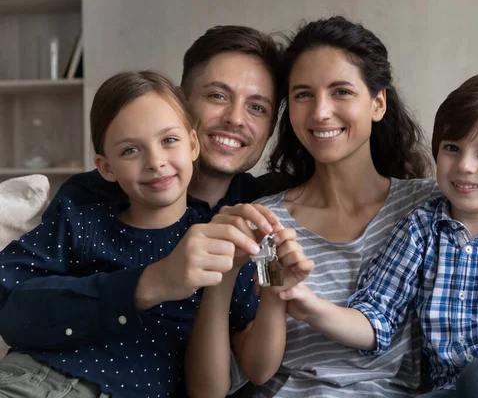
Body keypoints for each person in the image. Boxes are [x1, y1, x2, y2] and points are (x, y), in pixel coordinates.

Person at [185, 17, 478, 398]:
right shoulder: (265, 221)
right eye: (303, 95)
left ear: (378, 103)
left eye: (341, 91)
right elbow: (258, 363)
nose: (321, 111)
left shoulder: (434, 206)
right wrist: (281, 291)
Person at [0, 26, 298, 397]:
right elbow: (12, 306)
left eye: (257, 107)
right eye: (218, 95)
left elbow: (247, 367)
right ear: (182, 101)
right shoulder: (91, 200)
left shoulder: (258, 213)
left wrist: (272, 286)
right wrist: (148, 283)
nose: (235, 119)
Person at [282, 69, 478, 397]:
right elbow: (376, 320)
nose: (464, 165)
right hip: (449, 389)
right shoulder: (420, 229)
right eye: (452, 147)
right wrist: (313, 308)